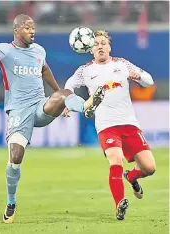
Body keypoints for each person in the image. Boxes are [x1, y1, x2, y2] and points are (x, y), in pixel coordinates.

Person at [0, 14, 103, 223]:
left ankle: (85, 107)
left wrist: (59, 94)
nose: (32, 31)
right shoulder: (5, 51)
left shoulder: (39, 51)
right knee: (15, 158)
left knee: (64, 95)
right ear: (16, 30)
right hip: (18, 112)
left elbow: (45, 69)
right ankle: (11, 202)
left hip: (40, 107)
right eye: (27, 28)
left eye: (33, 28)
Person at [64, 30, 156, 220]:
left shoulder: (122, 64)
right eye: (96, 43)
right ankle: (119, 205)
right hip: (106, 126)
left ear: (109, 46)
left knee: (149, 168)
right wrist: (68, 101)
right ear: (90, 49)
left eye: (103, 43)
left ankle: (131, 177)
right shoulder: (85, 70)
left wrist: (137, 76)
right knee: (115, 160)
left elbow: (149, 81)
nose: (100, 46)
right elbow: (69, 85)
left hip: (130, 124)